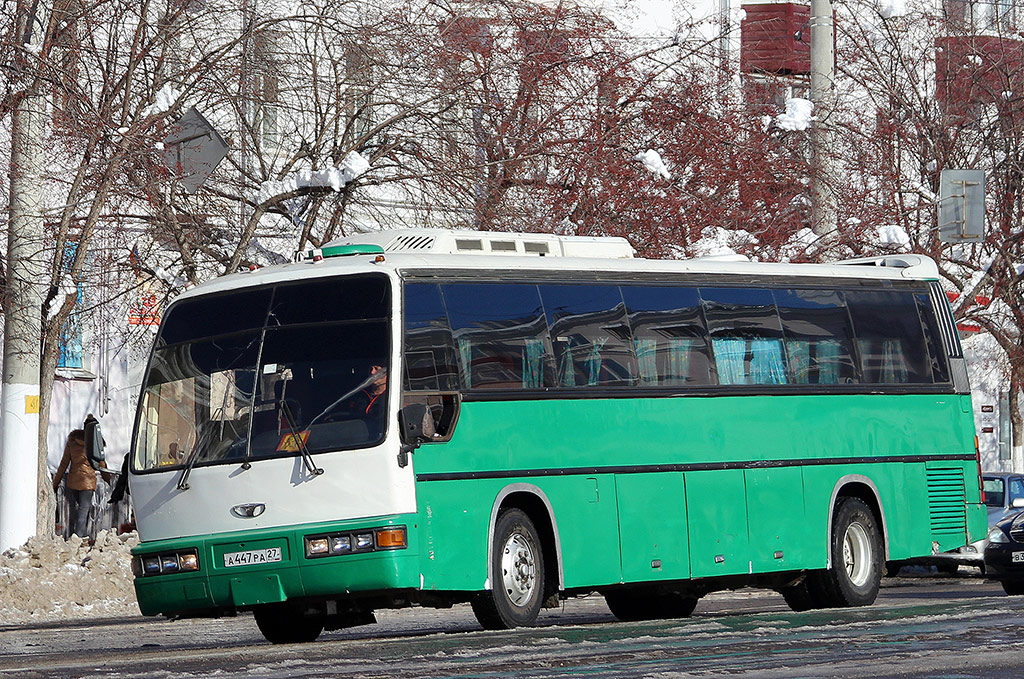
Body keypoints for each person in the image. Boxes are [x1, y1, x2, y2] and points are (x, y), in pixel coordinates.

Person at [53, 429, 108, 538]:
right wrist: (109, 479)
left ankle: (77, 536)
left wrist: (55, 483)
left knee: (77, 512)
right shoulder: (94, 443)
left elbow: (64, 463)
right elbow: (101, 464)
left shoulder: (72, 442)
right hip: (87, 482)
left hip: (73, 482)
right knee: (83, 511)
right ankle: (79, 538)